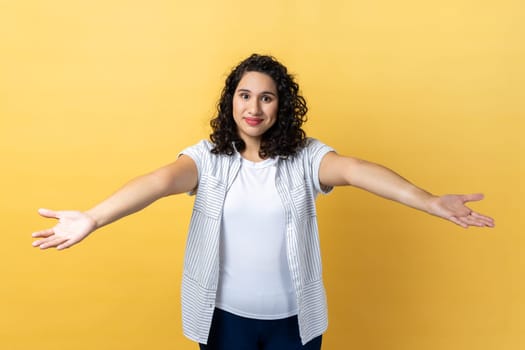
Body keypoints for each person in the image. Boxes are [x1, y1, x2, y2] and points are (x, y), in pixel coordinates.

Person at [31, 54, 495, 350]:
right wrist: (93, 216)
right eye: (245, 94)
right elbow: (156, 182)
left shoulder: (305, 159)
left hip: (294, 325)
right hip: (224, 323)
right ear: (231, 101)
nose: (254, 107)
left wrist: (429, 200)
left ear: (280, 107)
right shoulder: (207, 160)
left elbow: (356, 170)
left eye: (266, 97)